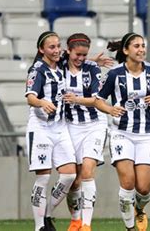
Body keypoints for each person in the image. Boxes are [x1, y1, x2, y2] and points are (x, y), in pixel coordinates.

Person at [94, 32, 150, 231]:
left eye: (143, 45)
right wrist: (110, 109)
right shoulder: (114, 75)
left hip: (146, 135)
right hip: (121, 133)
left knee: (144, 189)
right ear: (126, 51)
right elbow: (98, 100)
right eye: (136, 46)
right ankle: (129, 228)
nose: (141, 49)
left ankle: (139, 208)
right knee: (128, 183)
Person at [25, 31, 77, 231]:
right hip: (41, 127)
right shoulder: (37, 69)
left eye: (58, 46)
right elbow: (30, 97)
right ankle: (39, 227)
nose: (57, 50)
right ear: (41, 49)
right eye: (51, 47)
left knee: (69, 175)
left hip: (60, 126)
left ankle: (47, 215)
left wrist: (92, 61)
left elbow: (75, 58)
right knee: (44, 177)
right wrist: (42, 102)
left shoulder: (61, 62)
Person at [62, 33, 108, 231]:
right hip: (70, 126)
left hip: (94, 124)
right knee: (74, 180)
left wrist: (77, 99)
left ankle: (87, 225)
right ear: (68, 51)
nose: (81, 59)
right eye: (77, 55)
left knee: (88, 171)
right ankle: (76, 220)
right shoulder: (58, 67)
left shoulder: (92, 69)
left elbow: (98, 100)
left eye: (84, 55)